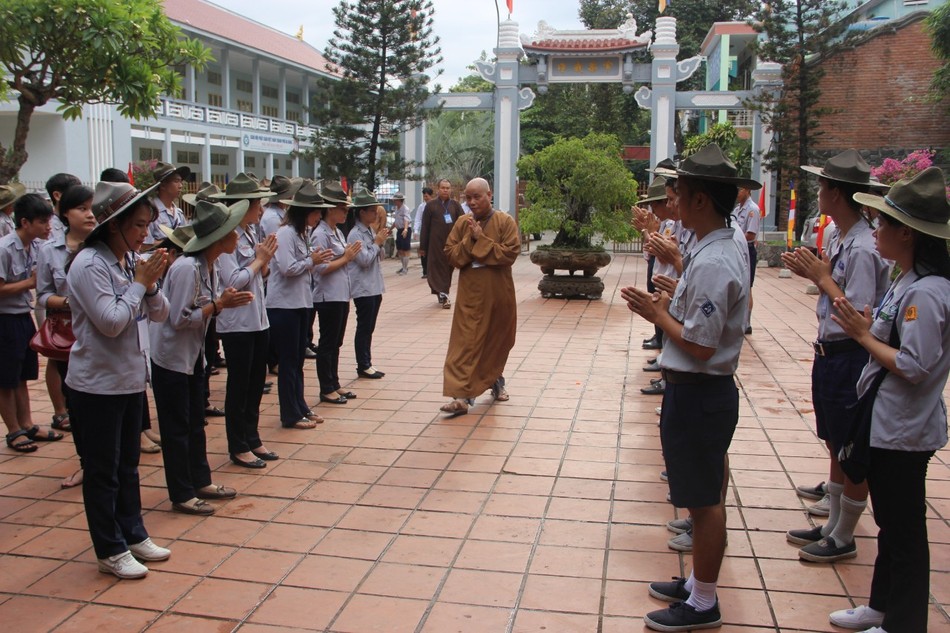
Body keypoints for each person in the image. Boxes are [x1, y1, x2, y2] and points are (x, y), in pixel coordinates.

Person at [622, 144, 758, 632]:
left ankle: (703, 603)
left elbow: (700, 345)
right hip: (698, 391)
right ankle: (699, 583)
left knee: (703, 503)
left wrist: (657, 314)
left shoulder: (715, 257)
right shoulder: (712, 243)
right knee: (703, 494)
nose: (672, 201)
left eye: (679, 193)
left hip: (701, 390)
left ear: (701, 200)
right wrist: (673, 299)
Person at [826, 166, 950, 633]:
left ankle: (904, 623)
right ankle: (881, 608)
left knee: (904, 533)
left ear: (908, 233)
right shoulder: (908, 280)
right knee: (891, 526)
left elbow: (914, 365)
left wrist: (862, 335)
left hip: (904, 429)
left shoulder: (928, 292)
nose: (875, 230)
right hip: (887, 422)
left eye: (882, 223)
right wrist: (869, 328)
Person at [781, 150, 890, 563]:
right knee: (833, 438)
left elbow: (856, 312)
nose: (818, 192)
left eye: (823, 186)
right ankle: (833, 524)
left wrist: (823, 278)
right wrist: (815, 274)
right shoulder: (840, 237)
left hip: (850, 354)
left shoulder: (862, 247)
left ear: (838, 194)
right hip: (829, 351)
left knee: (849, 445)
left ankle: (844, 535)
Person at [66, 180, 172, 579]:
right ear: (114, 225)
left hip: (129, 379)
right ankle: (109, 548)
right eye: (138, 225)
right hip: (97, 384)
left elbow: (160, 314)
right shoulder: (89, 264)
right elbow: (110, 322)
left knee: (128, 465)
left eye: (147, 225)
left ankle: (133, 533)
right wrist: (140, 284)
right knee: (102, 470)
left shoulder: (129, 260)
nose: (145, 233)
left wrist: (150, 284)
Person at [149, 197, 254, 515]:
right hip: (172, 360)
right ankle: (182, 492)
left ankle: (200, 480)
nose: (236, 235)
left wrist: (219, 304)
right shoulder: (186, 268)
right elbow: (179, 319)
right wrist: (218, 305)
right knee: (177, 428)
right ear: (218, 238)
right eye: (231, 230)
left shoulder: (208, 265)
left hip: (193, 357)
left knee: (195, 422)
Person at [211, 174, 279, 467]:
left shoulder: (250, 232)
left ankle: (252, 437)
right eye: (256, 204)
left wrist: (263, 264)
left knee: (255, 383)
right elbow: (232, 280)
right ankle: (238, 444)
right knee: (239, 386)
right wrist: (259, 261)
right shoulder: (228, 236)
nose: (261, 210)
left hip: (258, 319)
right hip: (237, 322)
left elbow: (259, 275)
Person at [438, 178, 520, 416]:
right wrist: (471, 239)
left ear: (489, 195)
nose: (472, 202)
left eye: (477, 197)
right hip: (470, 294)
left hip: (498, 293)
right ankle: (460, 397)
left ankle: (496, 381)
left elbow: (510, 253)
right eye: (468, 198)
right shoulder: (463, 223)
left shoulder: (505, 221)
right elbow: (451, 254)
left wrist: (482, 239)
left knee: (495, 341)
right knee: (464, 343)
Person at [36, 185, 96, 486]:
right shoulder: (49, 250)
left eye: (92, 208)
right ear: (65, 214)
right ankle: (87, 463)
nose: (90, 214)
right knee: (77, 403)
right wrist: (71, 302)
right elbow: (43, 295)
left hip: (103, 333)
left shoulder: (103, 244)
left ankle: (108, 463)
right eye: (82, 209)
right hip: (69, 335)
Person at [265, 181, 333, 427]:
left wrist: (312, 260)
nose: (318, 217)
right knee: (288, 361)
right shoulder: (285, 233)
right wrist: (311, 260)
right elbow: (287, 268)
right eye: (316, 212)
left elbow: (303, 264)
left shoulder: (301, 233)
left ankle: (300, 406)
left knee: (297, 360)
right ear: (305, 212)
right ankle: (290, 413)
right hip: (284, 306)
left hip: (301, 302)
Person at [0, 194, 60, 453]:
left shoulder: (36, 247)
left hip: (22, 315)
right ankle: (13, 430)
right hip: (4, 319)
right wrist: (29, 283)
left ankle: (27, 424)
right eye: (42, 222)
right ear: (25, 222)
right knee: (5, 379)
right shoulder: (4, 249)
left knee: (23, 374)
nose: (48, 227)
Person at [312, 182, 362, 404]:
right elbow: (320, 268)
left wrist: (346, 257)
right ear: (330, 209)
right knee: (328, 343)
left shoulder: (337, 232)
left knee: (337, 342)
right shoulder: (320, 234)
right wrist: (346, 258)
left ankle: (334, 383)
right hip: (328, 295)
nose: (346, 212)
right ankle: (326, 387)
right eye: (343, 208)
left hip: (341, 294)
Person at [347, 190, 389, 379]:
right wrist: (377, 243)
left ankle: (367, 362)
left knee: (369, 327)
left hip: (374, 285)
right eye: (372, 210)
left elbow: (379, 256)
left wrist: (380, 242)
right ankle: (363, 364)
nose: (375, 214)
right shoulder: (355, 234)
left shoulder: (369, 230)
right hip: (363, 287)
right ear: (362, 212)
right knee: (364, 326)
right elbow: (364, 260)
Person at [419, 179, 463, 308]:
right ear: (438, 189)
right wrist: (423, 246)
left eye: (448, 188)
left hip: (451, 245)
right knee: (436, 270)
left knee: (447, 270)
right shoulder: (430, 205)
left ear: (451, 190)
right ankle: (444, 294)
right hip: (435, 245)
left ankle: (442, 292)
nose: (445, 190)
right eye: (443, 188)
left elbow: (463, 222)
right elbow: (425, 227)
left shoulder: (455, 205)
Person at [733, 187, 760, 333]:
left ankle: (747, 323)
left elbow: (751, 234)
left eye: (740, 189)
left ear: (748, 190)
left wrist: (735, 239)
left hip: (747, 250)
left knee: (747, 285)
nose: (738, 193)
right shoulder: (738, 209)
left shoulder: (752, 209)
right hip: (736, 249)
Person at [145, 162, 191, 246]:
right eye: (176, 181)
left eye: (181, 181)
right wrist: (173, 243)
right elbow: (144, 245)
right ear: (163, 185)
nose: (180, 186)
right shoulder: (150, 212)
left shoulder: (178, 213)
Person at [413, 187, 433, 278]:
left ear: (431, 196)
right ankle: (425, 271)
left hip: (434, 231)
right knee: (423, 250)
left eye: (427, 196)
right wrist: (416, 231)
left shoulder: (436, 205)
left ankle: (433, 270)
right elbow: (417, 219)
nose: (425, 198)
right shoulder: (421, 207)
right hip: (425, 231)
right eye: (424, 196)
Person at [392, 192, 412, 275]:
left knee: (405, 249)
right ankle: (403, 266)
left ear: (400, 200)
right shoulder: (396, 208)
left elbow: (406, 219)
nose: (394, 201)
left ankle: (405, 268)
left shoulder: (405, 209)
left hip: (405, 229)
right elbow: (396, 221)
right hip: (399, 230)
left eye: (395, 200)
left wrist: (406, 229)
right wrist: (390, 229)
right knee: (399, 249)